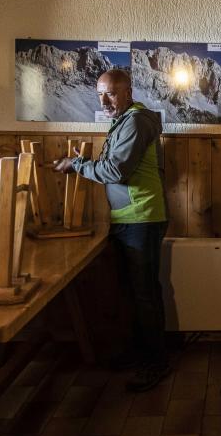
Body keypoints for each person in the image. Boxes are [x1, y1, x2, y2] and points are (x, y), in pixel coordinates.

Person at [54, 69, 170, 392]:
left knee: (144, 294)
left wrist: (76, 165)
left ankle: (156, 363)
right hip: (127, 219)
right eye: (100, 95)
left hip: (142, 218)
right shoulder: (123, 121)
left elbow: (115, 170)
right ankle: (139, 354)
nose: (104, 101)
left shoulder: (135, 122)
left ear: (128, 92)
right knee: (133, 293)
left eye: (111, 94)